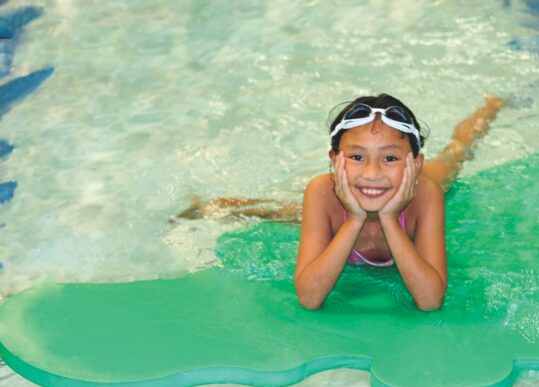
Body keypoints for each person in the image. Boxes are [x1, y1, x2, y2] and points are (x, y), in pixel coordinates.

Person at [177, 93, 504, 311]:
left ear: (414, 164)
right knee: (287, 213)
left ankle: (490, 106)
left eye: (390, 157)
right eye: (357, 157)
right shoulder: (322, 191)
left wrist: (390, 219)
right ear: (334, 160)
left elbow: (430, 301)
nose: (373, 173)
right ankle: (222, 205)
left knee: (455, 156)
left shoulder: (425, 192)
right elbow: (309, 296)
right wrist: (354, 217)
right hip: (338, 201)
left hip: (413, 190)